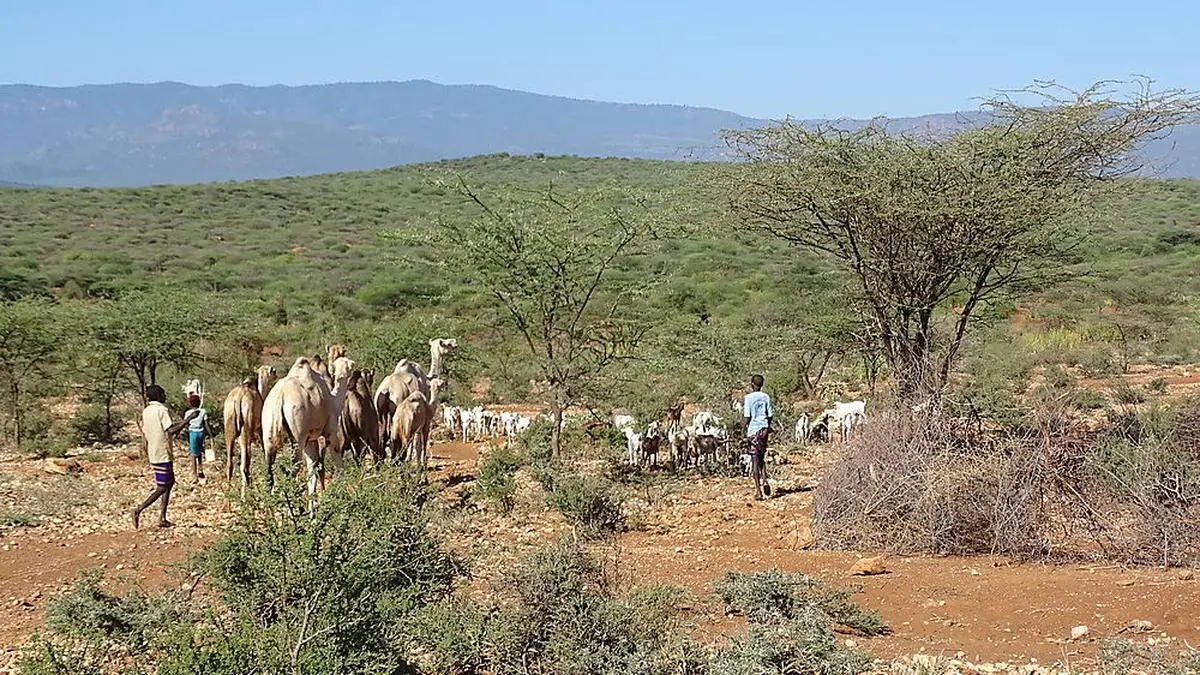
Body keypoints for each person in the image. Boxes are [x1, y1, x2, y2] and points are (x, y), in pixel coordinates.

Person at [132, 385, 196, 529]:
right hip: (162, 452)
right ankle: (139, 509)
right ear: (159, 395)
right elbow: (171, 430)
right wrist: (188, 419)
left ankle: (162, 517)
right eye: (163, 394)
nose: (165, 396)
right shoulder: (162, 410)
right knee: (162, 486)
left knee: (170, 482)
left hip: (153, 450)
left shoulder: (147, 411)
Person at [741, 374, 774, 500]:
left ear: (752, 385)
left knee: (754, 459)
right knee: (761, 456)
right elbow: (769, 415)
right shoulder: (766, 397)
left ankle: (758, 491)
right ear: (762, 385)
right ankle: (765, 480)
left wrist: (742, 430)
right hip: (764, 430)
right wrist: (767, 426)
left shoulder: (748, 398)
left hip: (753, 431)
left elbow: (747, 417)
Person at [184, 393, 213, 483]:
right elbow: (206, 424)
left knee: (193, 454)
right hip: (201, 432)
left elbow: (186, 423)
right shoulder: (203, 411)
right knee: (199, 451)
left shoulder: (188, 413)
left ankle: (194, 475)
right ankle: (201, 470)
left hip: (193, 432)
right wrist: (210, 434)